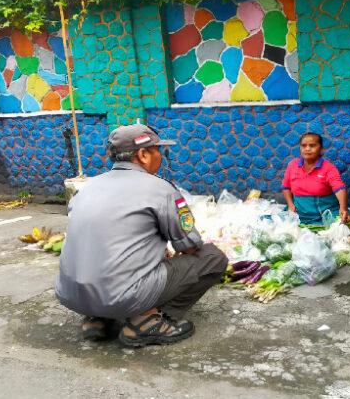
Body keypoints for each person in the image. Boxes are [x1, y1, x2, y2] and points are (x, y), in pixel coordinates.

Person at [55, 124, 228, 347]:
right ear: (143, 154)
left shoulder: (86, 188)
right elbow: (190, 247)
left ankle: (98, 318)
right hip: (120, 295)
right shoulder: (160, 189)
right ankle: (145, 321)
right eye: (158, 151)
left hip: (71, 294)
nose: (161, 157)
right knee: (212, 257)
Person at [282, 132, 350, 225]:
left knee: (343, 227)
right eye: (303, 145)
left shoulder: (328, 168)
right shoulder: (292, 165)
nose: (307, 149)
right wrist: (290, 205)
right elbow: (286, 187)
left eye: (312, 145)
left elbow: (339, 188)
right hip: (300, 213)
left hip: (326, 212)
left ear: (321, 148)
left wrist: (343, 208)